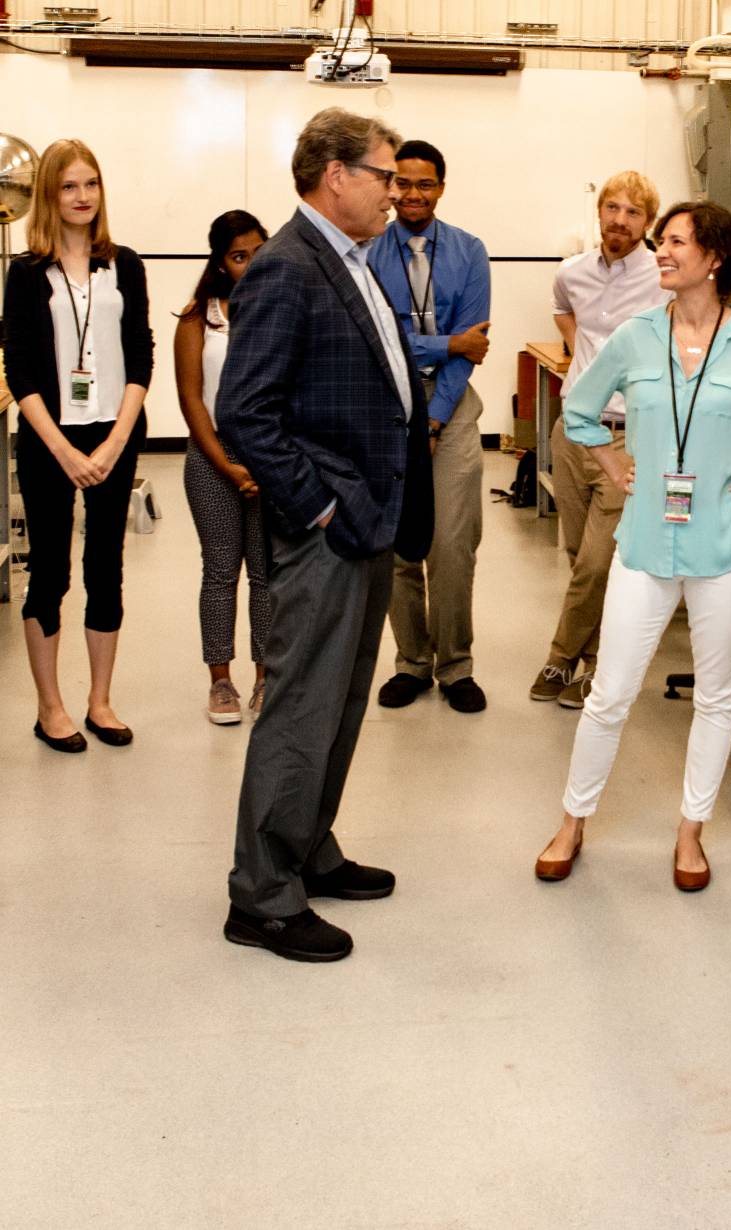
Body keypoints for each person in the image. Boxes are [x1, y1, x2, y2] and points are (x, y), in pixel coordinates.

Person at [532, 201, 731, 890]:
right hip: (646, 539)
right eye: (660, 242)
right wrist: (614, 463)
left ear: (716, 259)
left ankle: (691, 832)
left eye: (676, 242)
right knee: (609, 692)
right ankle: (572, 820)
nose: (662, 252)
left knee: (714, 692)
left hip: (727, 541)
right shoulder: (635, 336)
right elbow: (579, 410)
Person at [220, 108, 431, 963]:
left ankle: (309, 848)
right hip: (328, 529)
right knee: (302, 706)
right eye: (384, 174)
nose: (394, 189)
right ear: (335, 175)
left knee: (341, 700)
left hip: (369, 518)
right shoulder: (286, 267)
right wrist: (317, 507)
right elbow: (246, 412)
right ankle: (262, 895)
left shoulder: (349, 258)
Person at [2, 138, 152, 753]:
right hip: (48, 438)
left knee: (106, 570)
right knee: (51, 576)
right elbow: (22, 370)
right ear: (48, 195)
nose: (82, 196)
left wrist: (117, 437)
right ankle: (50, 707)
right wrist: (63, 450)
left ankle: (99, 701)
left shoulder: (126, 263)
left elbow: (141, 356)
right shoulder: (26, 270)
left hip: (113, 434)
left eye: (90, 183)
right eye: (68, 186)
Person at [532, 170, 671, 709]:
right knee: (575, 554)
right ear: (599, 212)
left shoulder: (663, 278)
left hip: (627, 439)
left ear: (648, 222)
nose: (619, 219)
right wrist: (580, 353)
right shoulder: (573, 273)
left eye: (633, 212)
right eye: (612, 207)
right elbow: (563, 308)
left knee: (598, 563)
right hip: (573, 430)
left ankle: (562, 657)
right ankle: (594, 662)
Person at [369, 138, 493, 714]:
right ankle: (411, 663)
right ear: (389, 187)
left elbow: (476, 346)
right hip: (386, 407)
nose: (413, 194)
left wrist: (437, 418)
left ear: (442, 187)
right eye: (403, 183)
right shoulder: (366, 254)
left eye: (425, 183)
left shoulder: (469, 252)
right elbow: (378, 342)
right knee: (398, 546)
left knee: (451, 544)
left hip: (450, 405)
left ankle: (456, 665)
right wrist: (444, 342)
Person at [175, 209, 272, 725]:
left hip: (269, 463)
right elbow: (192, 402)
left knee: (266, 574)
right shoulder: (198, 318)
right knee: (219, 572)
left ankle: (263, 678)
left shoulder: (283, 311)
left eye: (259, 253)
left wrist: (265, 464)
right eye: (238, 257)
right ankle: (220, 682)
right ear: (219, 263)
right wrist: (229, 467)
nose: (251, 265)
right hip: (213, 461)